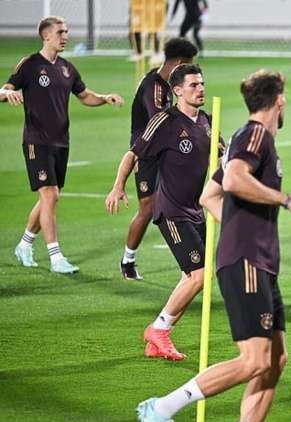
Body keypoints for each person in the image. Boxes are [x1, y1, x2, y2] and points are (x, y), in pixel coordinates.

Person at [136, 69, 291, 422]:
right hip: (247, 263)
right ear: (278, 101)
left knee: (275, 360)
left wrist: (237, 227)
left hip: (260, 262)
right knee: (253, 361)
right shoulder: (254, 135)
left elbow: (209, 196)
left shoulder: (249, 138)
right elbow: (234, 179)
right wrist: (286, 201)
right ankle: (162, 407)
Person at [106, 64, 216, 361]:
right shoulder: (164, 121)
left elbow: (225, 155)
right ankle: (160, 330)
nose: (200, 89)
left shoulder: (207, 121)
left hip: (196, 211)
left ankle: (157, 334)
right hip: (170, 211)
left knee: (192, 276)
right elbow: (133, 153)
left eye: (202, 84)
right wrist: (118, 187)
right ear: (177, 90)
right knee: (199, 275)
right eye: (193, 85)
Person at [2, 16, 123, 274]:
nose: (65, 36)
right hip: (37, 140)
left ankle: (24, 245)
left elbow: (84, 95)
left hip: (61, 142)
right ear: (46, 36)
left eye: (66, 32)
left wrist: (104, 98)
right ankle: (56, 256)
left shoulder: (67, 68)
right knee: (50, 195)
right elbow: (5, 88)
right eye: (60, 32)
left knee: (50, 197)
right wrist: (7, 93)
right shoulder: (30, 65)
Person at [120, 37, 198, 281]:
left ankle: (190, 261)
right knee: (148, 208)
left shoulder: (165, 82)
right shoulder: (154, 87)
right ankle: (128, 260)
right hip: (146, 154)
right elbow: (161, 122)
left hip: (165, 152)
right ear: (179, 63)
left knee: (179, 201)